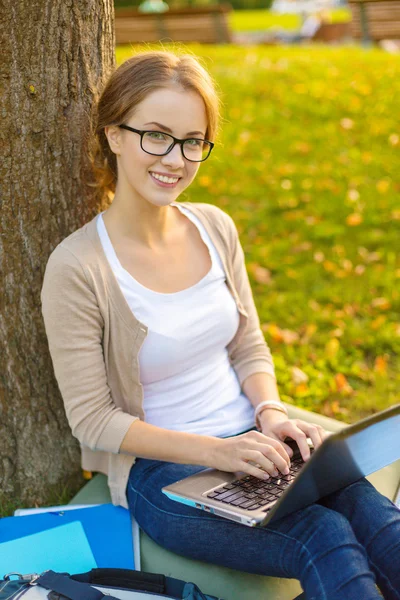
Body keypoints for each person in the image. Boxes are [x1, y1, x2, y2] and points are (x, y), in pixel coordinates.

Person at [41, 49, 400, 600]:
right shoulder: (78, 266)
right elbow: (93, 421)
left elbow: (247, 343)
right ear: (114, 134)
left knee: (376, 518)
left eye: (192, 142)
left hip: (256, 443)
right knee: (322, 535)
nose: (175, 160)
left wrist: (271, 413)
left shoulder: (213, 227)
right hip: (164, 474)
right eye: (155, 135)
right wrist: (217, 452)